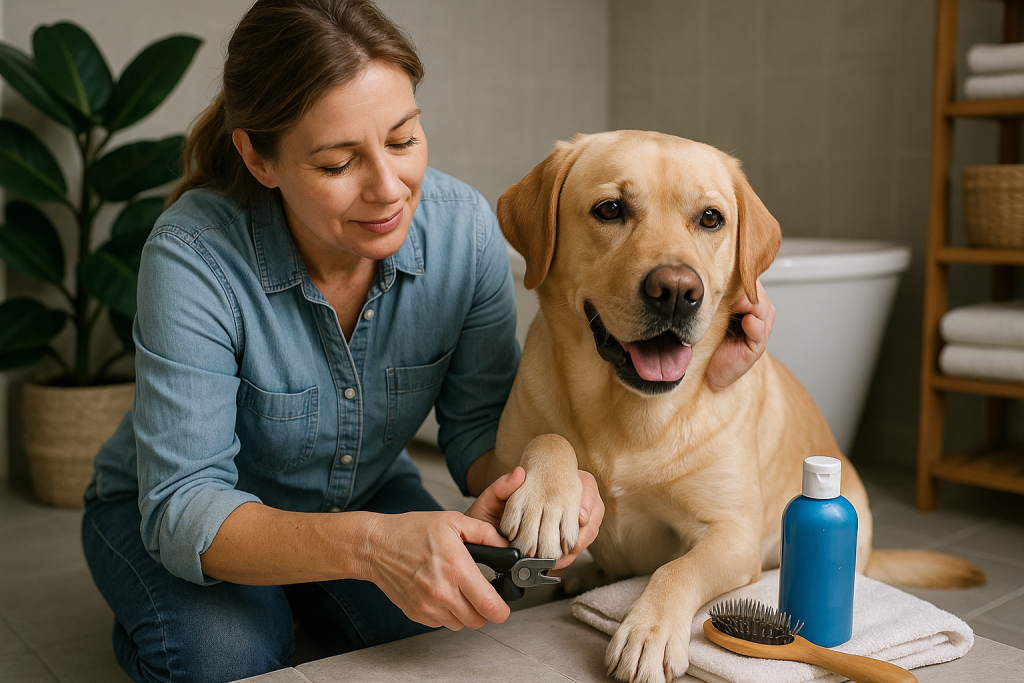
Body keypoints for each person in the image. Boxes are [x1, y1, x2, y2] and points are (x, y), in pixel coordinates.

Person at [80, 1, 775, 682]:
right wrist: (372, 547)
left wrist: (536, 493)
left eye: (404, 139)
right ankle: (235, 601)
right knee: (221, 654)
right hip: (185, 509)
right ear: (260, 160)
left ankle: (298, 594)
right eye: (335, 163)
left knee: (467, 604)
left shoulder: (460, 231)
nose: (389, 189)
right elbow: (184, 505)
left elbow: (477, 430)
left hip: (364, 491)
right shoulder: (193, 254)